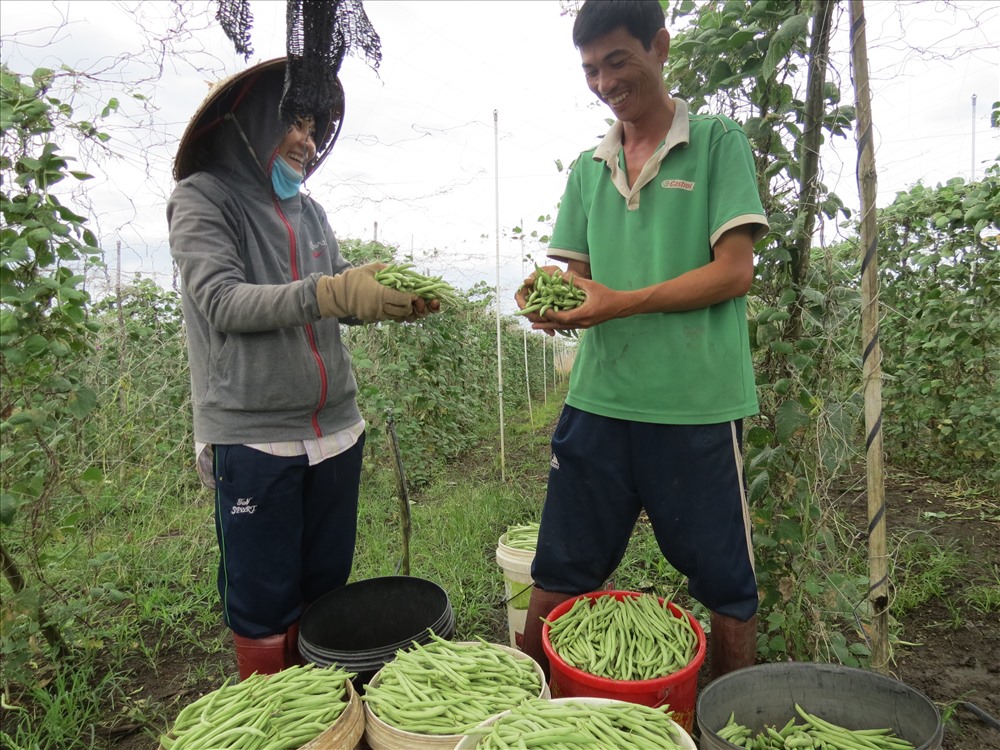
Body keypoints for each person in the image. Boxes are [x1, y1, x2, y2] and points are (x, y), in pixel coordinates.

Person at [515, 0, 769, 682]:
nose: (604, 83)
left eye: (617, 61)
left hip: (696, 404)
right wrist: (557, 308)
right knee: (560, 564)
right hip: (600, 398)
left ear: (659, 47)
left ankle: (725, 708)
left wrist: (619, 303)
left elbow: (733, 271)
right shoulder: (587, 169)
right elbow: (577, 282)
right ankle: (533, 703)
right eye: (591, 70)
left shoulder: (717, 143)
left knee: (725, 579)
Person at [168, 57, 435, 679]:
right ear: (247, 120)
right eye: (295, 121)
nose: (308, 140)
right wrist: (333, 292)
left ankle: (322, 706)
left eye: (314, 128)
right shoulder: (203, 199)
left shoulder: (310, 212)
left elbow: (332, 300)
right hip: (256, 435)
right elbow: (222, 301)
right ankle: (275, 712)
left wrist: (379, 303)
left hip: (336, 430)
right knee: (263, 601)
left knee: (324, 583)